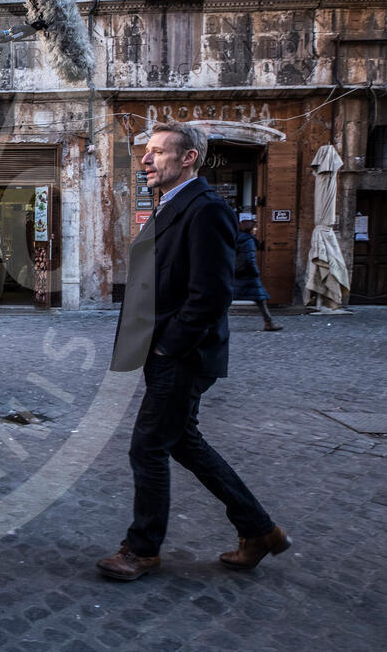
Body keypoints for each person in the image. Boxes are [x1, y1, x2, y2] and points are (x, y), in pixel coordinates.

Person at [100, 123, 290, 581]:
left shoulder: (206, 209)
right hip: (164, 349)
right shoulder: (170, 203)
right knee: (183, 442)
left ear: (189, 159)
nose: (146, 160)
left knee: (147, 448)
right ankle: (259, 530)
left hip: (182, 355)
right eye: (146, 152)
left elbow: (211, 293)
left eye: (158, 152)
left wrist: (169, 347)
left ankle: (142, 549)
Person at [234, 220, 283, 331]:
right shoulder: (249, 240)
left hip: (237, 273)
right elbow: (249, 259)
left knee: (228, 298)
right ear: (250, 229)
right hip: (247, 275)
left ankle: (269, 322)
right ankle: (269, 322)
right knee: (260, 298)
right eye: (255, 227)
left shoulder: (237, 238)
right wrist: (256, 272)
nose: (256, 229)